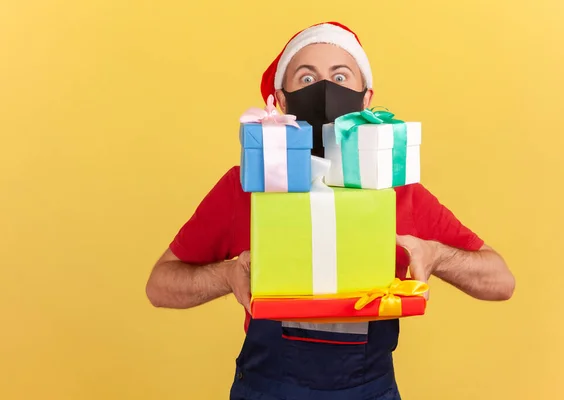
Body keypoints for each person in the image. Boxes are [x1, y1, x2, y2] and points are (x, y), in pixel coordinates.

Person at [146, 21, 515, 400]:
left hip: (370, 391)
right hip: (266, 390)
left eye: (340, 76)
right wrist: (227, 275)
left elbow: (501, 281)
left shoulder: (399, 190)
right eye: (307, 78)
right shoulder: (246, 187)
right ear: (282, 100)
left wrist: (437, 255)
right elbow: (160, 286)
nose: (325, 91)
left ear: (366, 98)